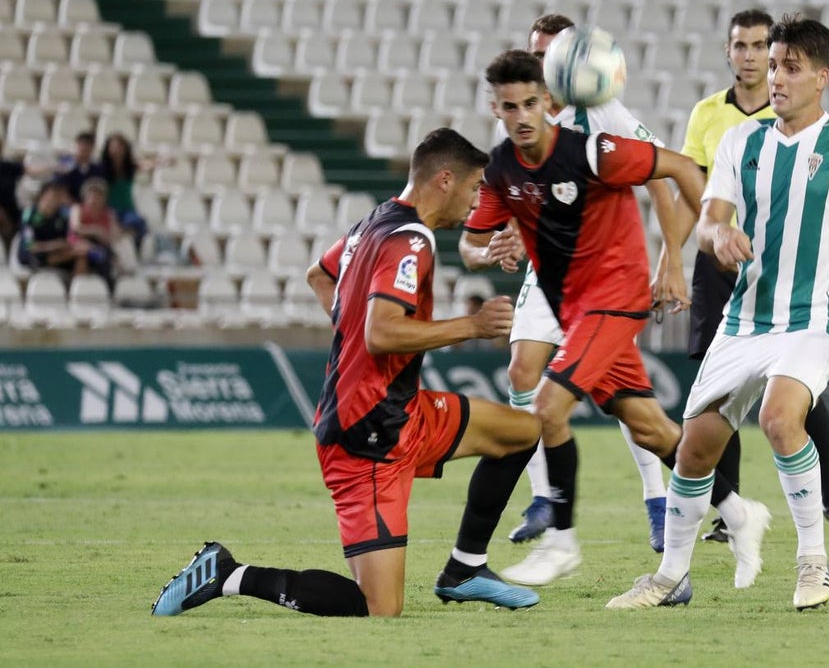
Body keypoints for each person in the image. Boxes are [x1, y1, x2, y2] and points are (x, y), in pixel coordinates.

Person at [151, 128, 544, 618]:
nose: (476, 200)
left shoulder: (373, 223)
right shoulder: (411, 241)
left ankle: (465, 568)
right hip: (366, 438)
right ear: (445, 180)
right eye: (474, 187)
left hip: (404, 413)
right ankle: (228, 574)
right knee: (380, 608)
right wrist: (472, 324)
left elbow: (320, 275)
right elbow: (381, 334)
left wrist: (354, 336)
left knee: (523, 431)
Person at [610, 15, 829, 611]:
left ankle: (813, 563)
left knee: (780, 419)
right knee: (695, 447)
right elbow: (708, 220)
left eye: (790, 67)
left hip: (814, 319)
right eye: (774, 64)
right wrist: (717, 235)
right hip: (745, 318)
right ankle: (670, 577)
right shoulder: (739, 142)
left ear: (821, 77)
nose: (776, 77)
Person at [461, 50, 770, 590]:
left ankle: (561, 542)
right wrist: (490, 250)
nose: (523, 115)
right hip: (574, 308)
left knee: (547, 408)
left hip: (616, 296)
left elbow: (675, 165)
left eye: (532, 103)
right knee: (652, 430)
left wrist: (712, 233)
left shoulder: (594, 151)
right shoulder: (502, 169)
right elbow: (469, 244)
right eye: (511, 107)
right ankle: (741, 513)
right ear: (497, 109)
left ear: (549, 101)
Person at [659, 8, 829, 544]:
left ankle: (827, 500)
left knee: (795, 396)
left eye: (765, 49)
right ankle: (727, 508)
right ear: (730, 52)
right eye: (744, 47)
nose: (757, 59)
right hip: (725, 272)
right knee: (719, 395)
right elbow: (697, 193)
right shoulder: (712, 118)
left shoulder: (828, 135)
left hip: (797, 278)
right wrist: (677, 252)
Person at [485, 14, 678, 553]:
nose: (542, 68)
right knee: (523, 367)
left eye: (550, 57)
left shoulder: (602, 112)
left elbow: (662, 176)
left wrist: (671, 259)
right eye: (536, 55)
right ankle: (545, 495)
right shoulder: (515, 121)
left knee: (617, 394)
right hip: (550, 275)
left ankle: (657, 499)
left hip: (601, 278)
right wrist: (507, 237)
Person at [17, 176, 89, 277]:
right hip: (34, 255)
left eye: (60, 194)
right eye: (54, 193)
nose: (58, 198)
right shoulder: (29, 214)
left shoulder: (61, 216)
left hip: (58, 253)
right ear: (43, 195)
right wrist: (52, 246)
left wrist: (77, 243)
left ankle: (78, 288)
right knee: (57, 254)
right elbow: (29, 245)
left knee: (82, 253)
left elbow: (69, 238)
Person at [68, 177, 120, 285]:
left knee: (107, 257)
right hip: (79, 243)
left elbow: (113, 235)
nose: (94, 199)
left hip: (101, 246)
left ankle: (107, 287)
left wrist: (103, 236)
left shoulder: (109, 214)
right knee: (84, 257)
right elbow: (76, 228)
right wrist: (95, 231)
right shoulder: (77, 209)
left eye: (99, 195)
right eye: (91, 195)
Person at [100, 133, 149, 243]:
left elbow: (145, 165)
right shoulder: (101, 169)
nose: (117, 151)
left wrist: (161, 162)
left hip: (127, 209)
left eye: (120, 147)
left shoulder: (130, 168)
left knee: (138, 224)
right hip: (109, 209)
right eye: (114, 147)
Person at [57, 132, 104, 203]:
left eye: (87, 148)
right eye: (82, 147)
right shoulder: (65, 166)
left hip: (91, 206)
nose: (84, 151)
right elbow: (60, 191)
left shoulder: (97, 169)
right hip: (69, 206)